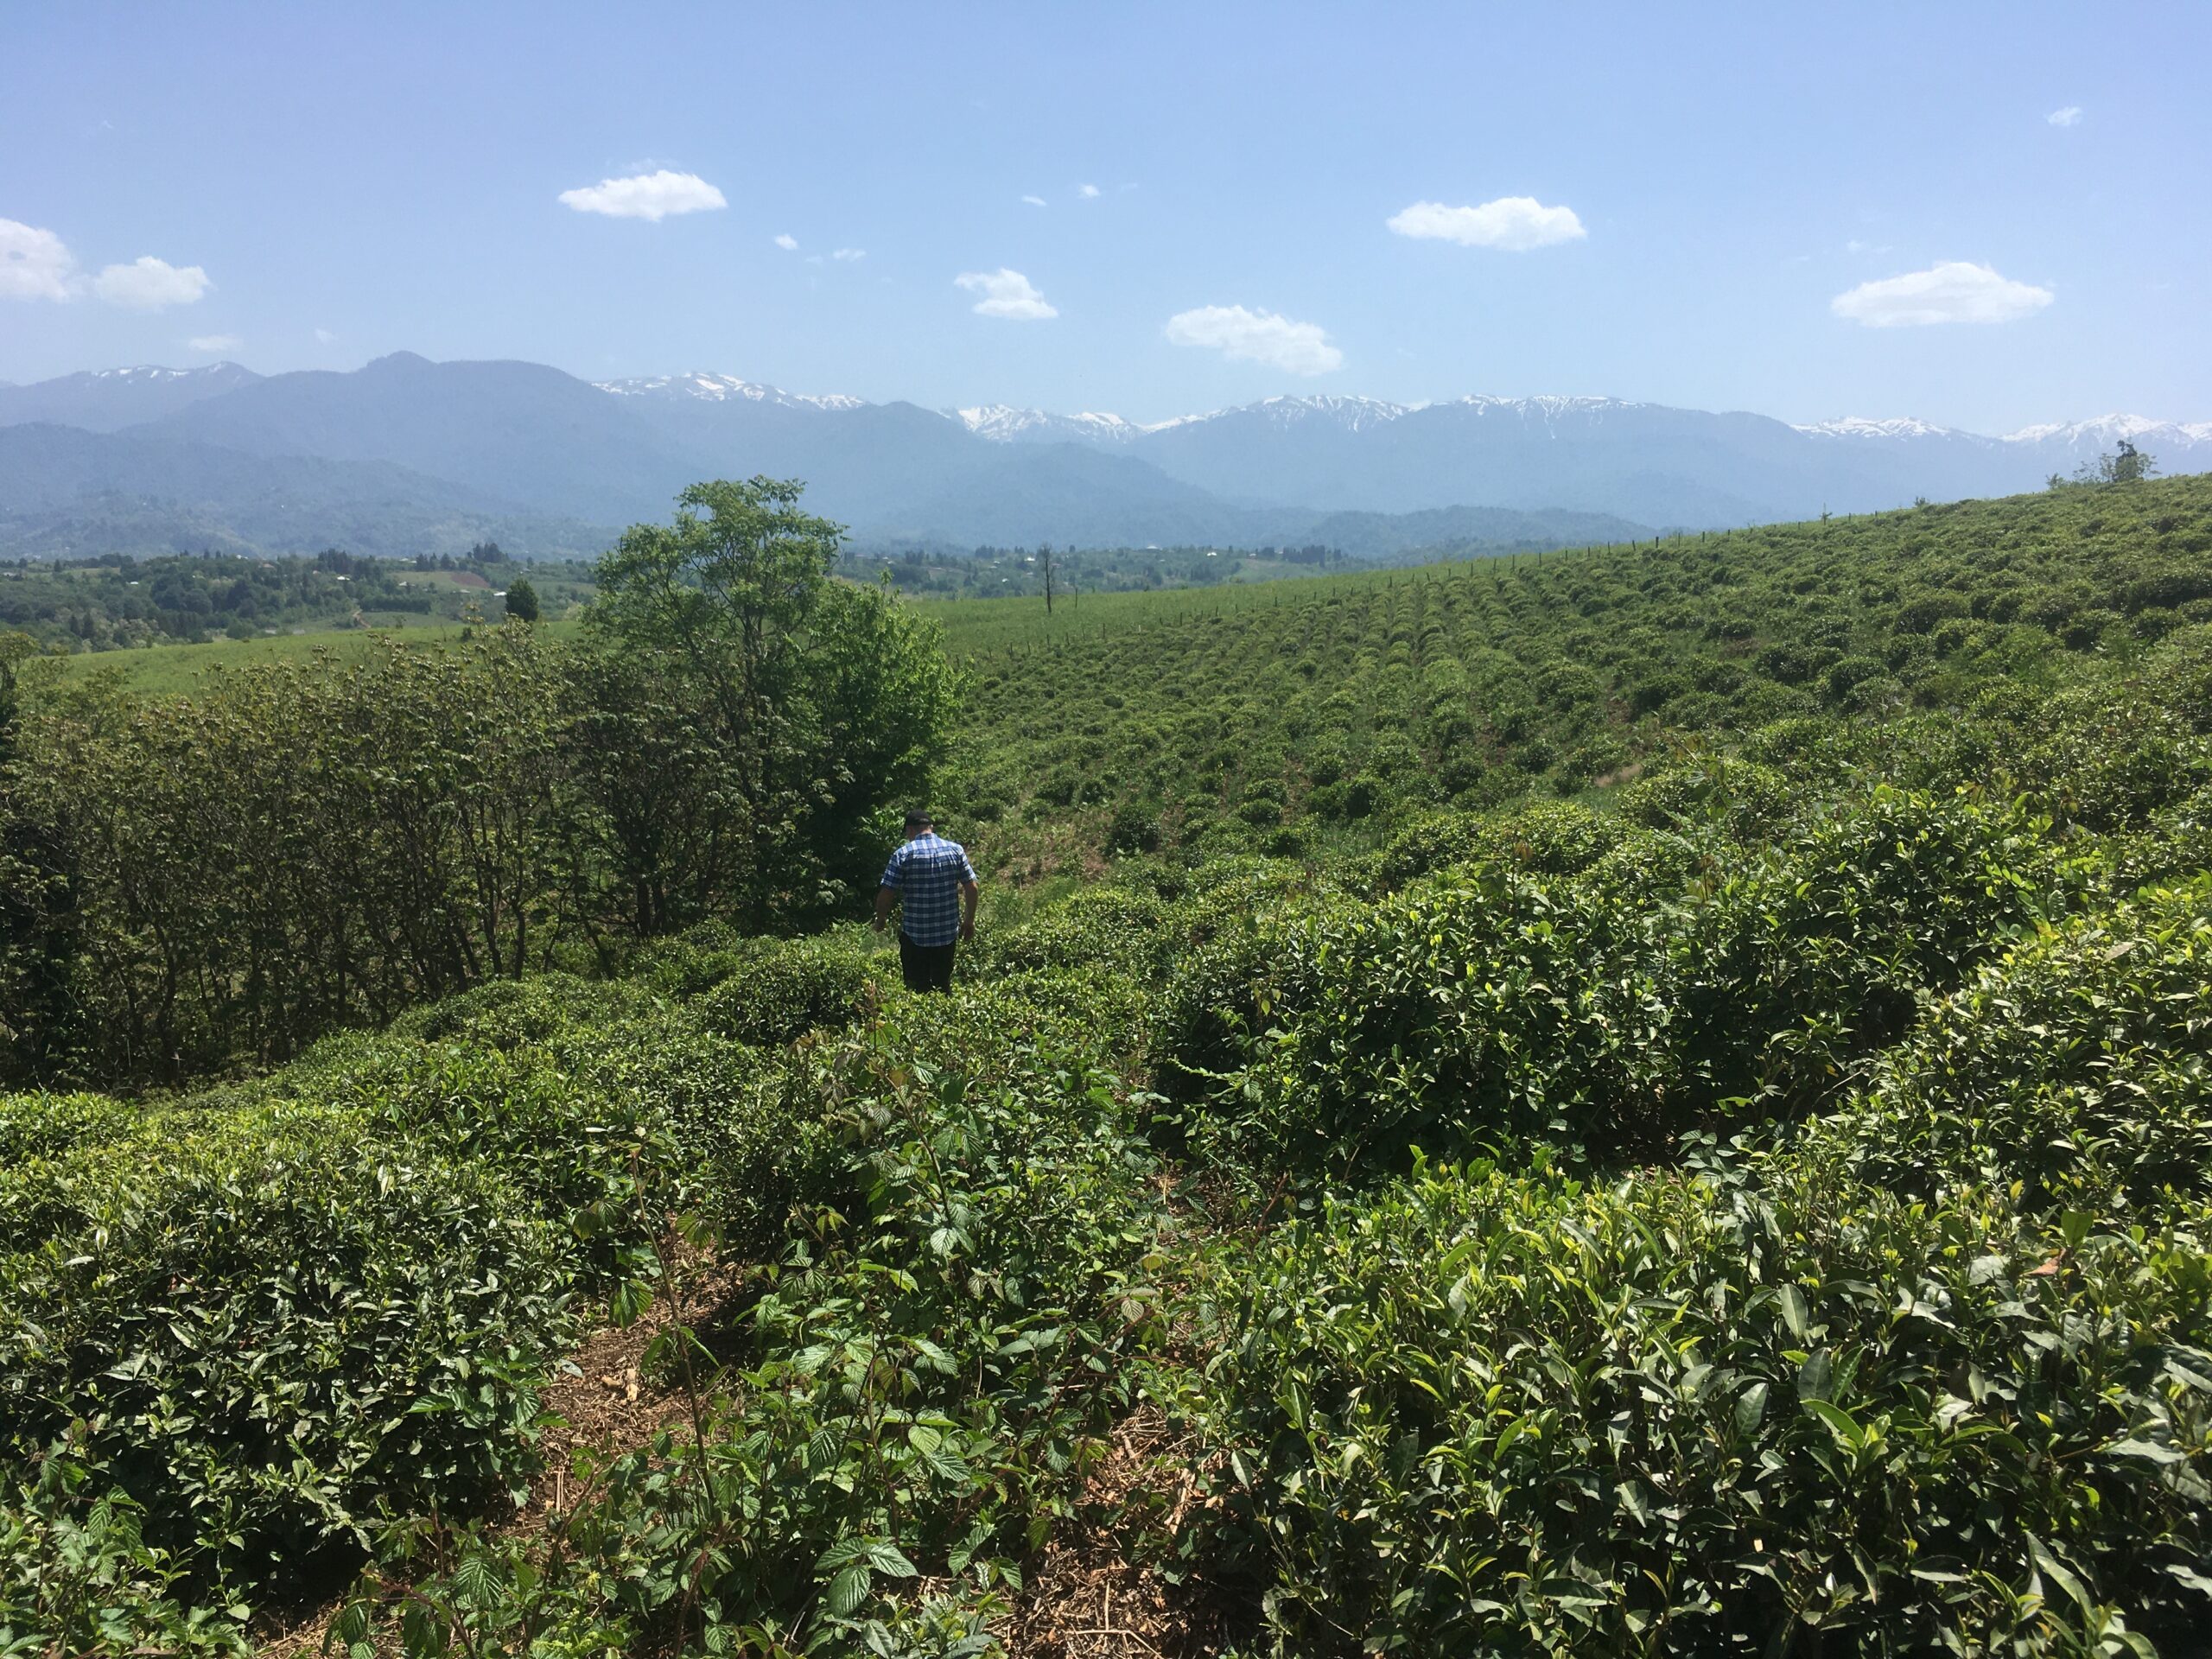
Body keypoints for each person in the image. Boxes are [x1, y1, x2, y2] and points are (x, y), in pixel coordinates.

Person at [874, 809, 979, 993]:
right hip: (947, 936)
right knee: (942, 986)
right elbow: (971, 887)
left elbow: (887, 892)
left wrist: (881, 918)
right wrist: (969, 920)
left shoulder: (903, 854)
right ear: (931, 827)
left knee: (916, 989)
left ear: (910, 830)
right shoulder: (955, 850)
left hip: (915, 937)